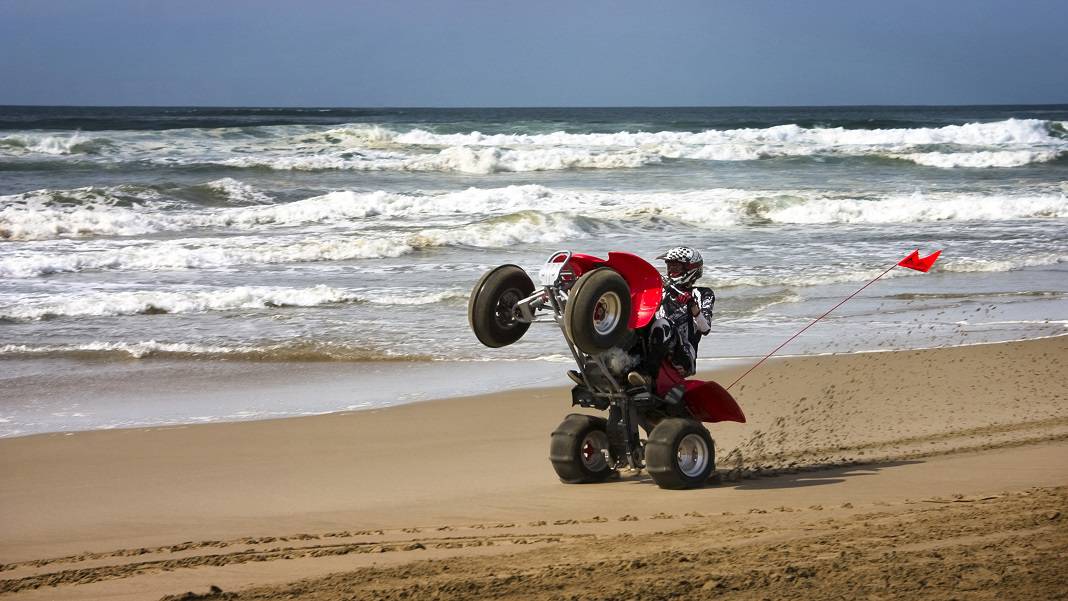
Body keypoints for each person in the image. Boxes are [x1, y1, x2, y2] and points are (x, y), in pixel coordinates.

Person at [628, 246, 715, 387]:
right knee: (635, 324)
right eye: (669, 267)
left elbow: (705, 328)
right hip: (659, 345)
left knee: (663, 324)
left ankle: (648, 374)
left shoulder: (703, 293)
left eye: (675, 267)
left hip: (683, 357)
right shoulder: (663, 290)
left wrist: (692, 305)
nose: (670, 271)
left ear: (690, 269)